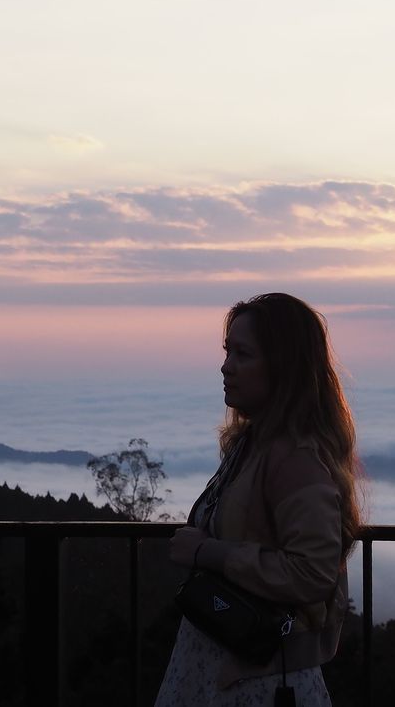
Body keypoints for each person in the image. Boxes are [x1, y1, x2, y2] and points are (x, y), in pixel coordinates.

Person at [155, 293, 362, 706]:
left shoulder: (295, 458)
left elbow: (312, 573)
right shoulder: (253, 446)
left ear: (283, 367)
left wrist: (209, 553)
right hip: (224, 664)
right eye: (228, 351)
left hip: (259, 680)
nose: (225, 366)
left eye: (243, 354)